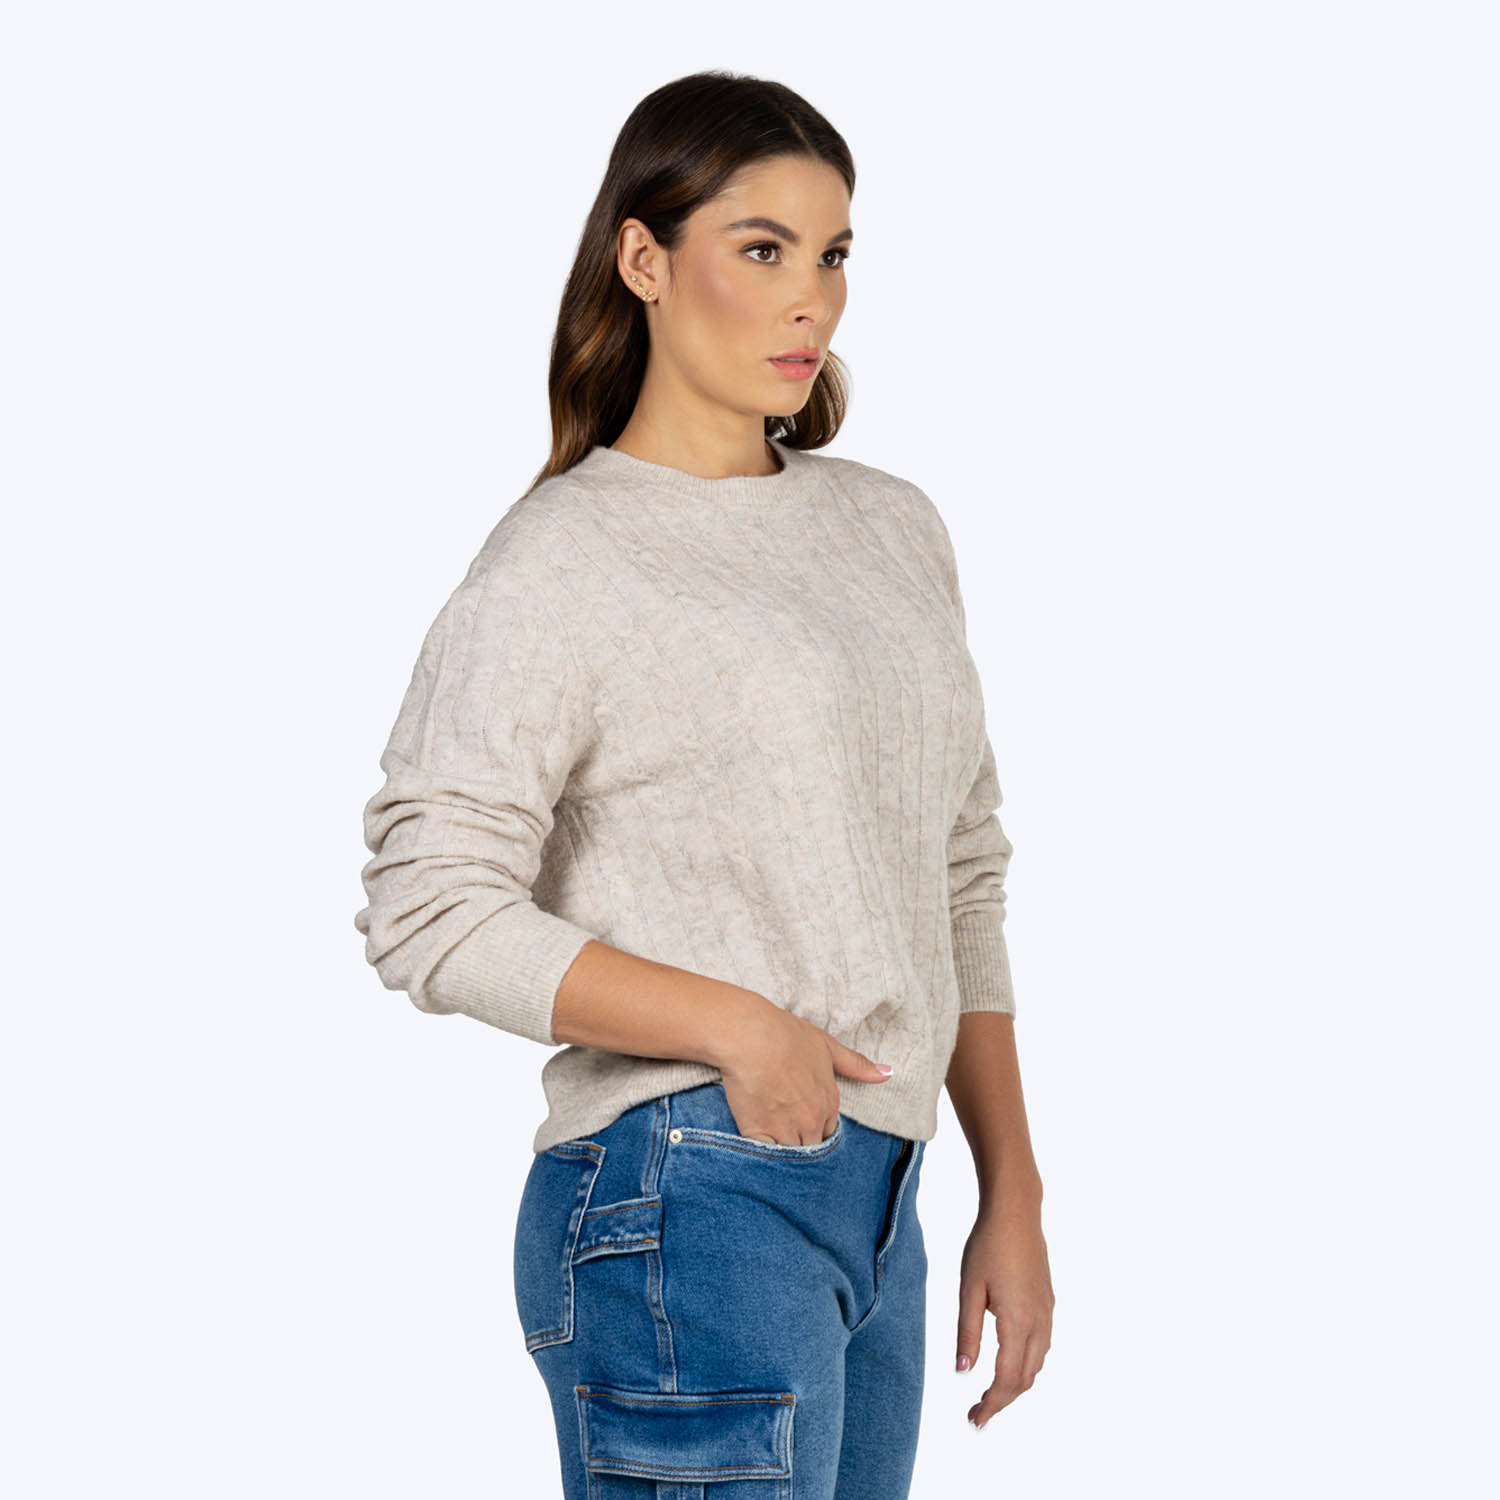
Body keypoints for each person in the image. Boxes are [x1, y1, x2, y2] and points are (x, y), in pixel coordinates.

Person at [354, 69, 1052, 1500]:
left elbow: (960, 870)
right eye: (762, 248)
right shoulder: (565, 558)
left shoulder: (892, 527)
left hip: (883, 1202)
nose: (812, 300)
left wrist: (1013, 1186)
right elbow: (428, 904)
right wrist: (738, 1025)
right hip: (689, 1194)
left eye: (833, 254)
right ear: (645, 258)